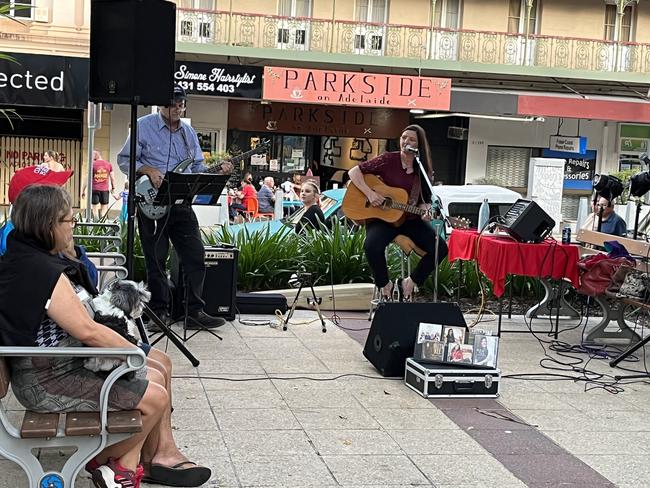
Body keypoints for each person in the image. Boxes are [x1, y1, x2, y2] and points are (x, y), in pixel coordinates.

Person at [0, 185, 212, 487]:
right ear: (47, 225)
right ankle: (117, 465)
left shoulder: (35, 257)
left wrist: (69, 251)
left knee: (159, 362)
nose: (73, 224)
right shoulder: (39, 270)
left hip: (61, 363)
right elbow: (88, 330)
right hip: (47, 380)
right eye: (67, 220)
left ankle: (154, 457)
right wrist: (133, 353)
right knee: (154, 395)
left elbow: (86, 308)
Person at [117, 84, 232, 329]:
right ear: (161, 105)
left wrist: (218, 170)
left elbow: (197, 168)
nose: (176, 108)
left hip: (180, 203)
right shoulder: (144, 126)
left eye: (180, 104)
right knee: (156, 260)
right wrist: (148, 170)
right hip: (152, 203)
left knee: (195, 256)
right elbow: (124, 160)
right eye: (172, 104)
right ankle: (159, 313)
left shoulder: (188, 133)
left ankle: (194, 312)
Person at [347, 124, 448, 302]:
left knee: (440, 248)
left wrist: (425, 211)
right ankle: (385, 284)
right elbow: (354, 172)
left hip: (410, 219)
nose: (405, 141)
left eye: (411, 139)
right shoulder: (387, 159)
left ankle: (410, 282)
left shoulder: (422, 171)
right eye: (403, 138)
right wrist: (370, 194)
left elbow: (423, 201)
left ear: (419, 145)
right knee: (372, 246)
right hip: (383, 218)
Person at [82, 150, 118, 220]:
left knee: (95, 210)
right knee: (104, 210)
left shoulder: (92, 164)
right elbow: (112, 178)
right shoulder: (108, 164)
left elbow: (87, 178)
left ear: (95, 156)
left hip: (94, 189)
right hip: (105, 190)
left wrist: (83, 190)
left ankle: (96, 226)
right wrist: (113, 188)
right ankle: (102, 226)